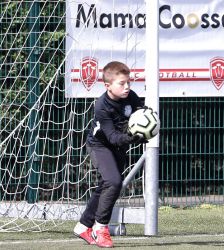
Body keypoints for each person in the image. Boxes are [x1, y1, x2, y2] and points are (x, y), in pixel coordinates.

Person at [73, 61, 147, 248]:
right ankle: (101, 228)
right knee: (113, 182)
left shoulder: (132, 97)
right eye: (121, 83)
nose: (127, 87)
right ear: (108, 86)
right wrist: (132, 138)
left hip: (119, 147)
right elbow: (113, 137)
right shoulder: (101, 106)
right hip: (99, 145)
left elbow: (141, 117)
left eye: (128, 82)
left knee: (107, 185)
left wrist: (146, 128)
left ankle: (83, 226)